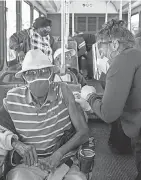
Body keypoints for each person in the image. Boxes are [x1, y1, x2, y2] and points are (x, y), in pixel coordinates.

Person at [0, 49, 89, 180]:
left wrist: (58, 154)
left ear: (51, 74)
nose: (38, 78)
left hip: (62, 161)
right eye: (31, 74)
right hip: (28, 165)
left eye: (43, 72)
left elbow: (84, 132)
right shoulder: (13, 98)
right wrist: (16, 144)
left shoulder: (63, 91)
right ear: (24, 78)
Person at [76, 19, 141, 179]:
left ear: (114, 44)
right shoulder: (136, 55)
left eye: (101, 47)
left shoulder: (121, 61)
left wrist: (89, 96)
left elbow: (108, 113)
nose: (102, 53)